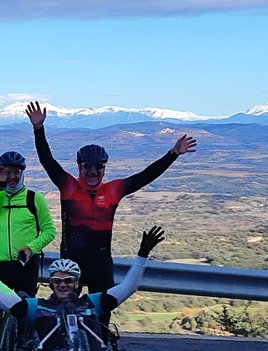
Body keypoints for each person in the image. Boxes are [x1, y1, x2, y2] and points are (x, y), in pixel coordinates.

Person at [26, 101, 194, 319]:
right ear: (79, 166)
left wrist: (173, 153)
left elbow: (145, 176)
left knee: (102, 317)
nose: (93, 171)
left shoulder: (114, 190)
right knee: (63, 315)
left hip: (101, 262)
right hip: (71, 259)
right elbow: (47, 160)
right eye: (87, 166)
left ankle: (98, 349)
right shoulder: (68, 187)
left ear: (105, 167)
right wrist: (38, 129)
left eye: (99, 166)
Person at [0, 226, 166, 351]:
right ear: (51, 284)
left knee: (91, 323)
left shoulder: (90, 302)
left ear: (76, 284)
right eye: (57, 281)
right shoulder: (39, 306)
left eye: (68, 281)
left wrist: (142, 255)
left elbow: (128, 287)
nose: (63, 285)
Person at [0, 150, 56, 295]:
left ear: (22, 173)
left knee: (25, 312)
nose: (12, 177)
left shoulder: (34, 199)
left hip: (26, 265)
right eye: (7, 172)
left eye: (16, 172)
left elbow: (49, 231)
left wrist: (31, 248)